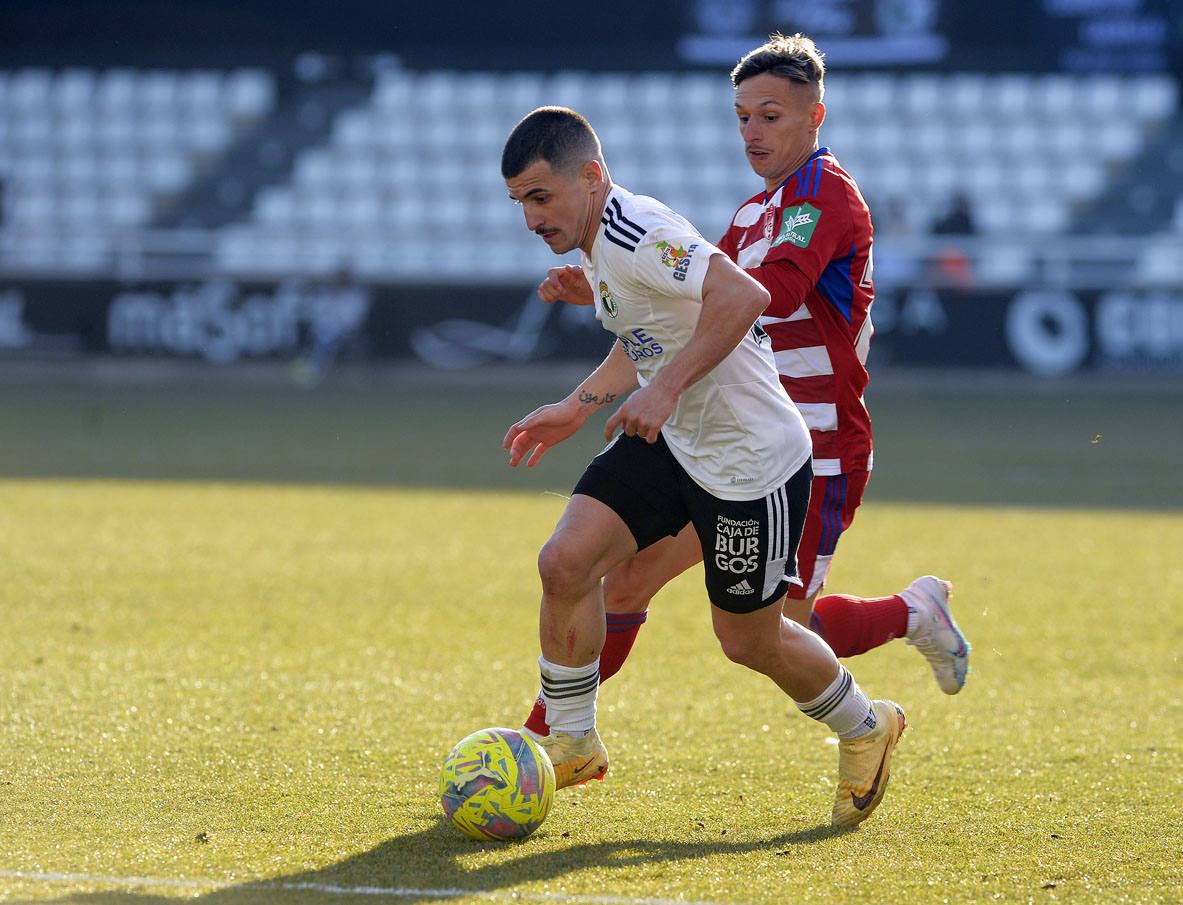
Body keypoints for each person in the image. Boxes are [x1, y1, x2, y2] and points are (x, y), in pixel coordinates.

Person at [521, 34, 970, 748]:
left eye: (770, 116)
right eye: (741, 117)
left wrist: (645, 287)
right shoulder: (751, 212)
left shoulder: (824, 193)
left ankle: (910, 614)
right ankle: (544, 740)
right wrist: (614, 296)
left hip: (813, 441)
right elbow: (689, 315)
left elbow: (768, 294)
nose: (752, 132)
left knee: (777, 632)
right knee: (625, 580)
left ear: (813, 117)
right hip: (719, 434)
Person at [501, 105, 906, 828]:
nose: (531, 218)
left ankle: (866, 724)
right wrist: (577, 404)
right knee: (565, 563)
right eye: (519, 203)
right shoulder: (600, 241)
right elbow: (645, 335)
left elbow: (744, 296)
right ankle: (570, 740)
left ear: (590, 177)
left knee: (748, 640)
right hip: (672, 440)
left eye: (540, 197)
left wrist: (663, 387)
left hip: (750, 460)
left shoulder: (636, 233)